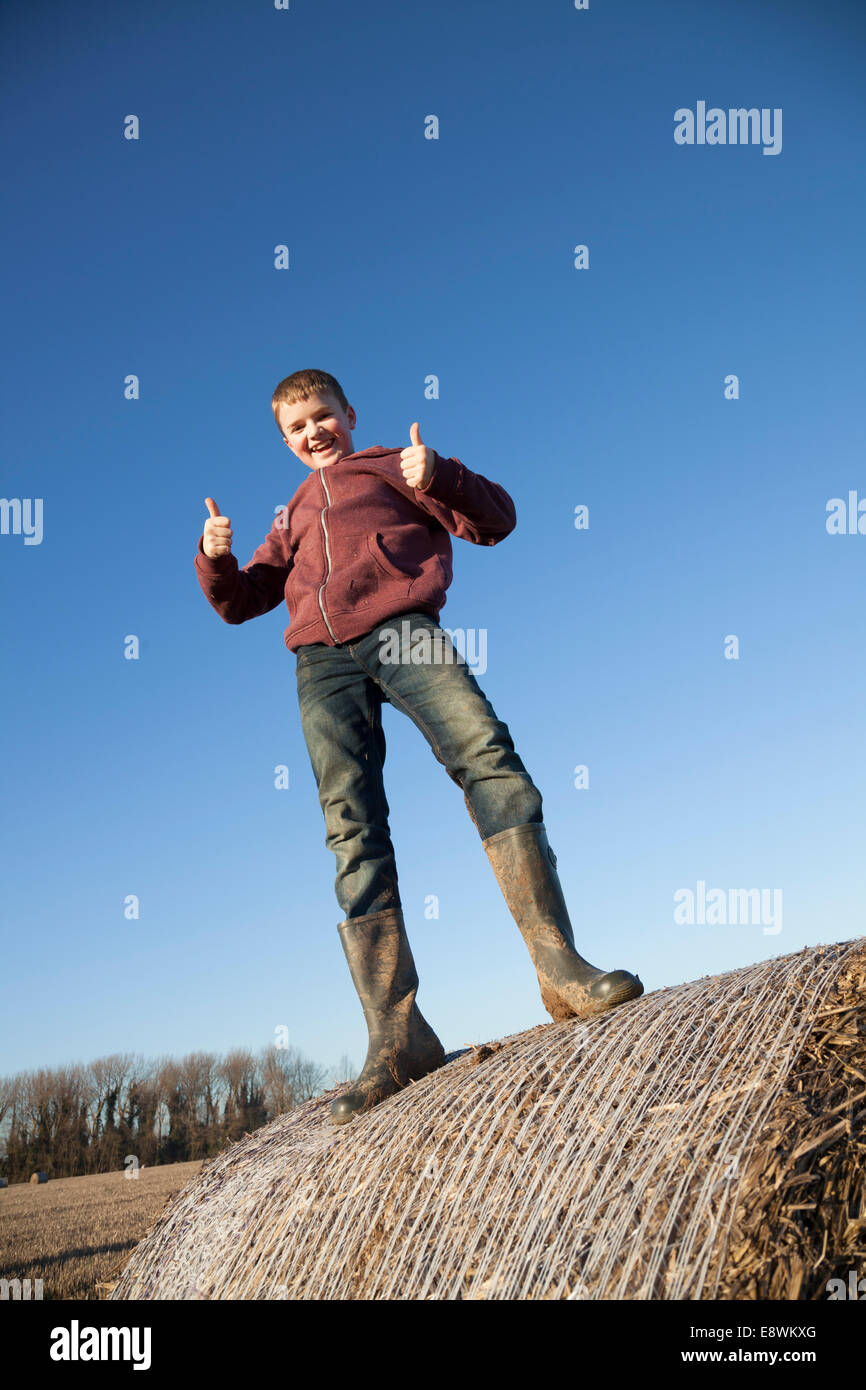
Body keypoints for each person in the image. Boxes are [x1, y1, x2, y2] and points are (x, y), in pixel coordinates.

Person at [195, 369, 643, 1125]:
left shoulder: (391, 469)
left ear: (347, 414)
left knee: (487, 758)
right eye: (297, 426)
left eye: (323, 416)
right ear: (286, 440)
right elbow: (243, 601)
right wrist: (215, 559)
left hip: (403, 628)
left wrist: (440, 474)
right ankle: (396, 1037)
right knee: (350, 826)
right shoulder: (294, 512)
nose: (314, 433)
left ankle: (559, 966)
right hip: (321, 662)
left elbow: (495, 519)